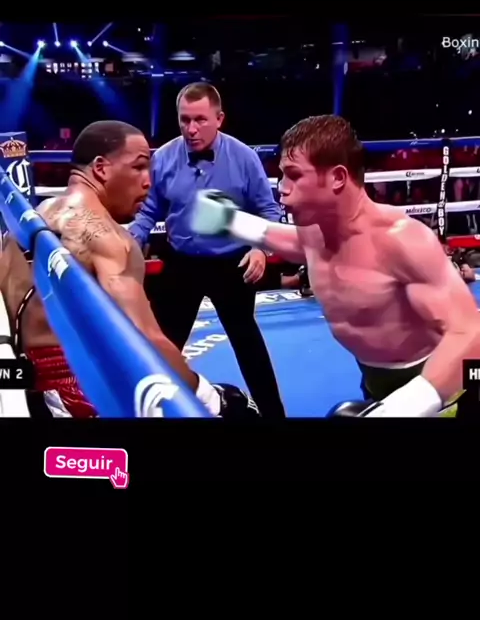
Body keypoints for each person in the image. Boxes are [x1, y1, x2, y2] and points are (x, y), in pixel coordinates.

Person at [190, 114, 480, 418]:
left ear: (338, 178)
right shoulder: (317, 237)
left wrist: (410, 404)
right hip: (378, 386)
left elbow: (470, 334)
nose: (282, 188)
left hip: (450, 392)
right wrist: (230, 220)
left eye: (294, 175)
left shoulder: (403, 241)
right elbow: (282, 238)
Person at [0, 120, 259, 419]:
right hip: (79, 394)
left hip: (22, 388)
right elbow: (146, 341)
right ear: (101, 168)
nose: (148, 181)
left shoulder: (33, 217)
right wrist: (208, 397)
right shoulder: (110, 240)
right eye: (139, 167)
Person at [129, 83, 286, 419]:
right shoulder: (164, 157)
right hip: (181, 264)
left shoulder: (244, 157)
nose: (191, 129)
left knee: (248, 346)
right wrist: (131, 241)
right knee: (163, 346)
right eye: (184, 120)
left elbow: (268, 209)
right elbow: (149, 210)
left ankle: (275, 416)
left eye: (200, 119)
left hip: (232, 264)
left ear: (219, 119)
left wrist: (260, 248)